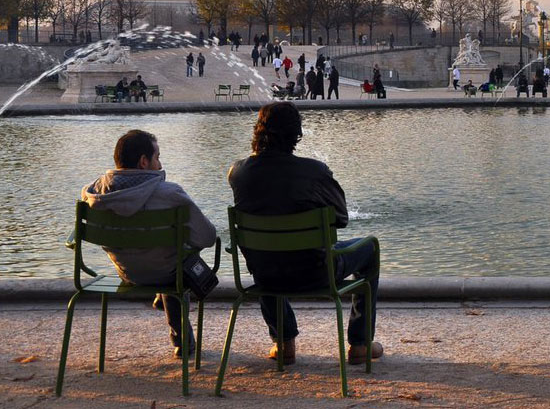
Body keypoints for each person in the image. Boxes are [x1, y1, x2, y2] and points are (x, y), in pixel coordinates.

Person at [227, 103, 381, 366]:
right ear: (297, 134)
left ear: (258, 131)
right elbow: (341, 218)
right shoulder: (315, 171)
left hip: (265, 275)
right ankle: (360, 343)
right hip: (317, 272)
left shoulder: (238, 173)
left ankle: (284, 342)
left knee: (268, 254)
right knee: (370, 248)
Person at [81, 130, 217, 357]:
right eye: (157, 157)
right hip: (167, 273)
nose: (160, 163)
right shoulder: (171, 193)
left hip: (127, 272)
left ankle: (164, 303)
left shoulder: (94, 193)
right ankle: (183, 342)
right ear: (144, 161)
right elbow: (208, 237)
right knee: (176, 264)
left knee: (163, 254)